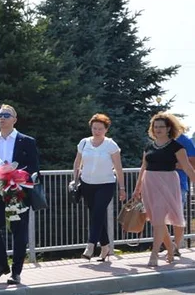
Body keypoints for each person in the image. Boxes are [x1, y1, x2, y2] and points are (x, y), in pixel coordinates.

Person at [0, 104, 41, 285]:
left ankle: (16, 272)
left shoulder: (27, 141)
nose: (2, 118)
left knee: (19, 232)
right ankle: (2, 264)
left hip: (18, 193)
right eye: (0, 115)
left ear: (14, 120)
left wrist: (18, 178)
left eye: (6, 115)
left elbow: (34, 168)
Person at [133, 112, 195, 266]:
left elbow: (188, 168)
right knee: (156, 220)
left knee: (159, 218)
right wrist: (137, 188)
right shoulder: (148, 146)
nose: (158, 129)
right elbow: (143, 167)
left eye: (161, 126)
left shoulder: (177, 147)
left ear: (168, 128)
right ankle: (170, 249)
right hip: (150, 183)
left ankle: (154, 254)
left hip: (168, 183)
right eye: (155, 126)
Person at [70, 113, 126, 262]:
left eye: (100, 128)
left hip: (106, 184)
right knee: (96, 215)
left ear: (106, 129)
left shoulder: (111, 145)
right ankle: (106, 246)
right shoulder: (84, 143)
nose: (97, 131)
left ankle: (90, 246)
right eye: (94, 128)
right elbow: (77, 162)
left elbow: (118, 168)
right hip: (87, 183)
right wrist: (75, 179)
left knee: (98, 212)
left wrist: (122, 188)